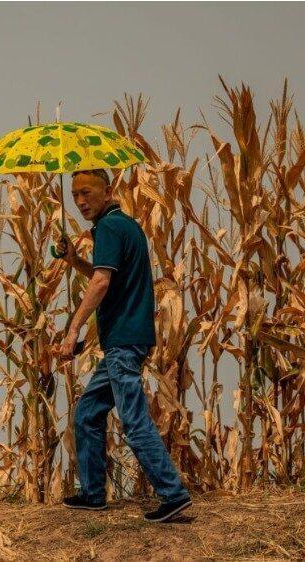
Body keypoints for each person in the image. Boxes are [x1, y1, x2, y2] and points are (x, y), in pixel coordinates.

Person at [55, 167, 192, 523]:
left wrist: (72, 331)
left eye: (87, 192)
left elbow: (101, 283)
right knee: (88, 412)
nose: (81, 202)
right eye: (75, 196)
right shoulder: (125, 226)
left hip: (123, 341)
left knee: (133, 419)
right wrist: (74, 261)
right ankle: (93, 494)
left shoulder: (110, 228)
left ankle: (173, 495)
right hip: (126, 339)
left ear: (108, 189)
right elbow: (108, 274)